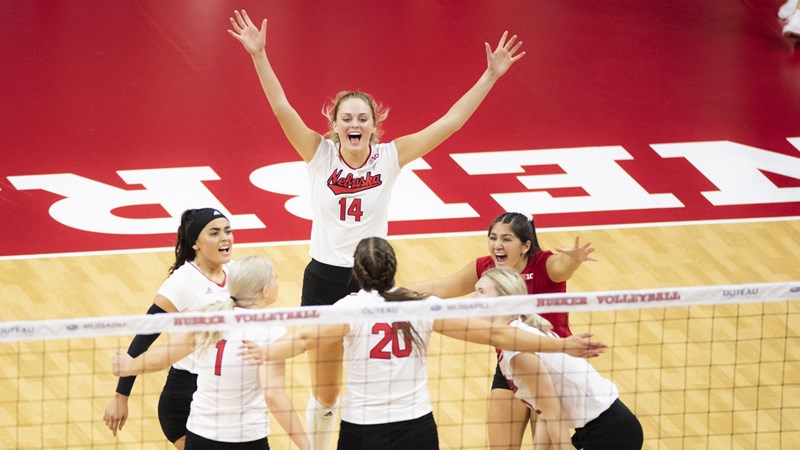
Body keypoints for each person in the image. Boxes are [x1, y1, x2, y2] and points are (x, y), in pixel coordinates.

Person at [227, 9, 526, 449]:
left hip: (372, 280)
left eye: (362, 118)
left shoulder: (389, 157)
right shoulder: (318, 154)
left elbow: (450, 122)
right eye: (346, 118)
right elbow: (281, 107)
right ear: (334, 125)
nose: (354, 124)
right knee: (327, 391)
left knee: (376, 377)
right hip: (324, 278)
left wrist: (490, 76)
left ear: (374, 124)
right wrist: (259, 55)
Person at [238, 237, 606, 450]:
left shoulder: (348, 309)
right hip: (415, 427)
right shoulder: (422, 306)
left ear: (357, 272)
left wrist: (266, 352)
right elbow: (496, 334)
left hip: (364, 429)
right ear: (393, 269)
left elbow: (303, 339)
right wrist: (563, 346)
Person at [408, 212, 595, 450]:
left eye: (506, 239)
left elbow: (562, 267)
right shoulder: (486, 267)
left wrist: (574, 260)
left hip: (551, 367)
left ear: (525, 246)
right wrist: (388, 295)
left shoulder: (545, 265)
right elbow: (440, 287)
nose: (497, 245)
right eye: (493, 237)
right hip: (513, 361)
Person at [112, 255, 309, 449]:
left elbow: (161, 358)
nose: (278, 283)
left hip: (199, 436)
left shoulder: (210, 319)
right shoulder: (269, 330)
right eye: (275, 278)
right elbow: (274, 396)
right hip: (245, 439)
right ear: (265, 291)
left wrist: (129, 366)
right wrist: (306, 446)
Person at [103, 208, 234, 449]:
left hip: (224, 390)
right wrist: (121, 396)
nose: (225, 238)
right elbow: (144, 339)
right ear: (195, 243)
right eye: (214, 233)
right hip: (187, 396)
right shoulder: (181, 284)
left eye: (227, 231)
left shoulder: (234, 273)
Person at [479, 267, 643, 449]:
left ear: (502, 301)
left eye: (481, 292)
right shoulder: (518, 337)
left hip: (612, 433)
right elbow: (545, 410)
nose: (474, 301)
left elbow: (554, 414)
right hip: (597, 429)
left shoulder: (519, 351)